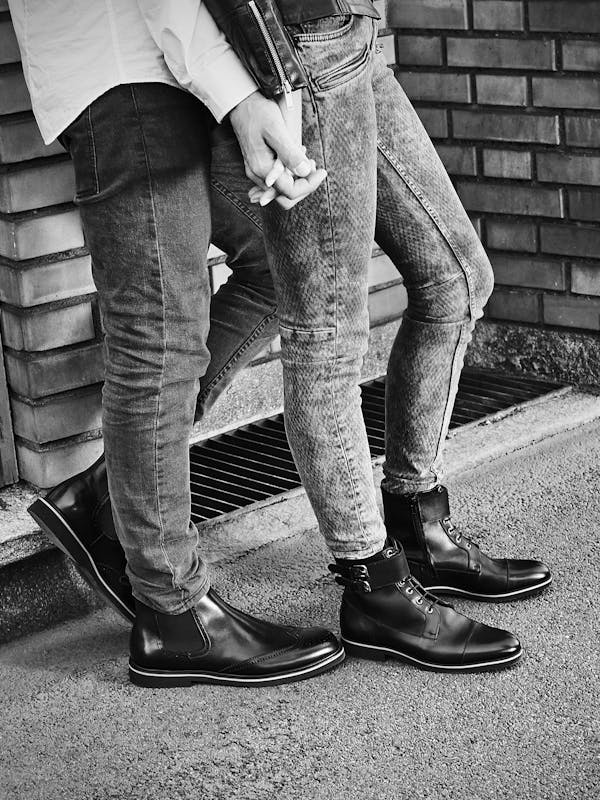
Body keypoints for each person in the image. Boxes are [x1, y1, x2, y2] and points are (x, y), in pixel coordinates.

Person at [17, 0, 551, 685]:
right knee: (163, 341)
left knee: (272, 283)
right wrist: (240, 96)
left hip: (186, 62)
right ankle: (174, 612)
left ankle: (115, 494)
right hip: (124, 68)